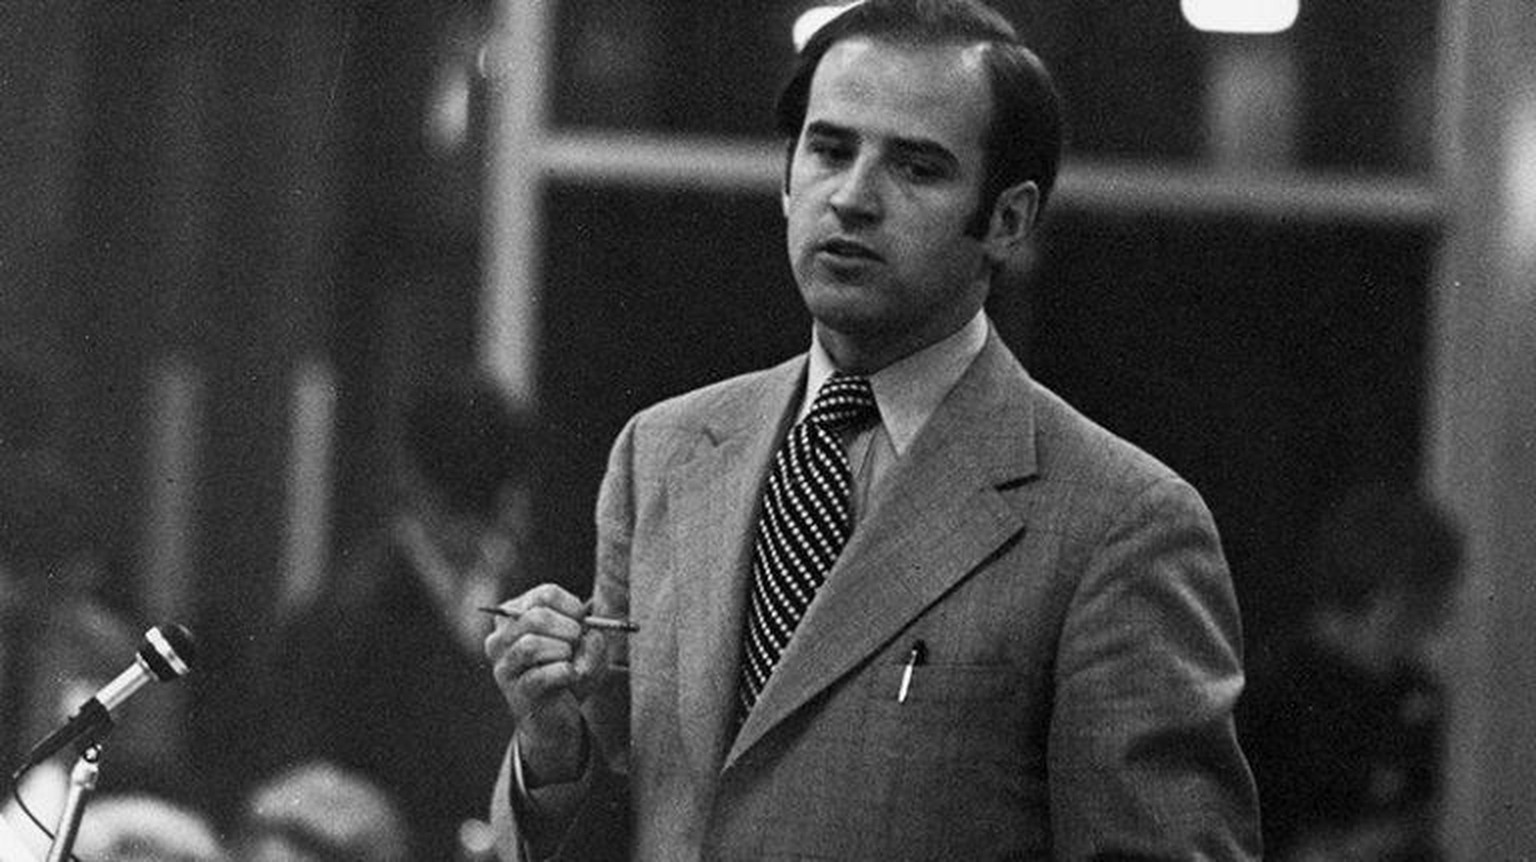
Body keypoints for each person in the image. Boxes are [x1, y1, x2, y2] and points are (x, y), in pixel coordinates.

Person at [484, 1, 1260, 858]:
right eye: (829, 150)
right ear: (787, 177)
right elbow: (631, 818)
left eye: (917, 169)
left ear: (1008, 220)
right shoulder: (664, 453)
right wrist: (551, 751)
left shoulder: (1120, 524)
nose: (853, 198)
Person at [263, 375, 541, 861]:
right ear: (419, 489)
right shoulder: (342, 621)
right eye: (462, 508)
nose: (478, 535)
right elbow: (303, 808)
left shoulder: (526, 597)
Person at [1239, 482, 1463, 861]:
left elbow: (1417, 815)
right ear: (1389, 597)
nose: (1438, 621)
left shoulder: (1416, 692)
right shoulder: (1270, 688)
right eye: (1428, 601)